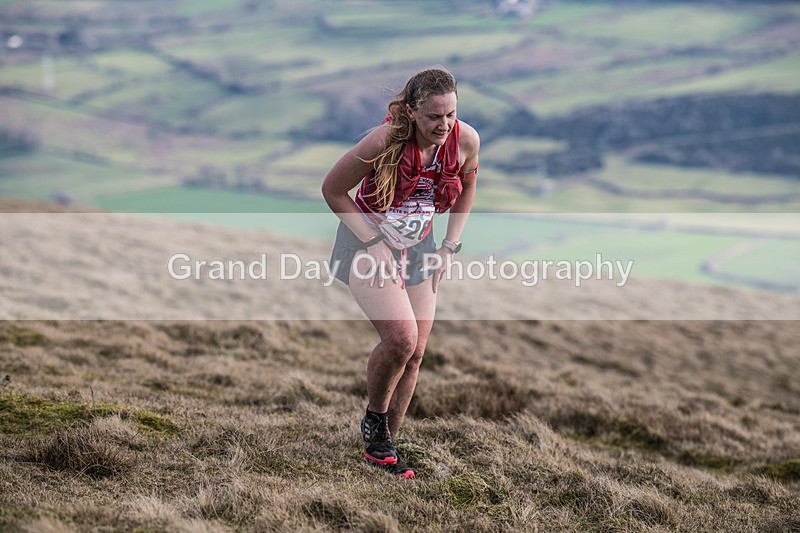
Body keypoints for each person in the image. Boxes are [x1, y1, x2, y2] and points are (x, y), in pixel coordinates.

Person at [321, 67, 479, 478]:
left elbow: (467, 187)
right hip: (364, 244)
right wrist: (374, 243)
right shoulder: (382, 141)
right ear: (411, 112)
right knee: (401, 339)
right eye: (433, 117)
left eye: (450, 115)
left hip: (420, 247)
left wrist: (449, 245)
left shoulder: (465, 140)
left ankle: (383, 449)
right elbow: (333, 191)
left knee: (417, 353)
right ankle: (375, 423)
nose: (444, 126)